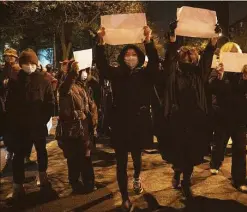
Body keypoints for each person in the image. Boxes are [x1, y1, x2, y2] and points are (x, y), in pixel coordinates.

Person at [96, 26, 159, 211]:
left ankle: (137, 178)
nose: (130, 57)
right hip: (121, 123)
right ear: (122, 58)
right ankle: (124, 196)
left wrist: (149, 42)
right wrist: (100, 44)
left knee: (137, 157)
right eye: (127, 54)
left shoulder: (145, 74)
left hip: (139, 123)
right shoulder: (117, 74)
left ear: (139, 57)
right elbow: (102, 65)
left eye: (133, 54)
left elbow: (155, 64)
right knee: (121, 162)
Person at [158, 21, 217, 199]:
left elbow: (207, 62)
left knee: (192, 151)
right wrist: (173, 41)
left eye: (192, 56)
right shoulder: (172, 73)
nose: (189, 58)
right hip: (176, 118)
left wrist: (212, 43)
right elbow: (169, 60)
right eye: (185, 55)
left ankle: (186, 180)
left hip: (195, 119)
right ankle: (177, 171)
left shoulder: (198, 74)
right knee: (178, 150)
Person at [6, 49, 55, 200]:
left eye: (31, 63)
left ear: (35, 63)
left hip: (38, 125)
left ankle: (43, 177)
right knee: (18, 156)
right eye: (25, 63)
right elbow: (9, 105)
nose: (29, 66)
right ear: (21, 64)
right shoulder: (15, 81)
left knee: (41, 152)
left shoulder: (44, 80)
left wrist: (43, 119)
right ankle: (17, 186)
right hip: (20, 128)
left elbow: (50, 103)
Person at [208, 42, 247, 193]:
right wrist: (220, 76)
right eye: (231, 53)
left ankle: (239, 179)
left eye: (237, 52)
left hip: (239, 116)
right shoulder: (217, 69)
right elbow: (211, 88)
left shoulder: (242, 71)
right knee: (219, 143)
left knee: (240, 148)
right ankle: (215, 162)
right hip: (222, 116)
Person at [57, 60, 97, 194]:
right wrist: (72, 73)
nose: (85, 73)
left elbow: (90, 106)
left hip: (84, 128)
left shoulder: (83, 86)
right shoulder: (67, 86)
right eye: (82, 71)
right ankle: (76, 183)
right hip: (72, 129)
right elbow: (65, 88)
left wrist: (93, 121)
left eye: (86, 70)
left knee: (86, 156)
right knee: (73, 157)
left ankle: (89, 183)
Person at [0, 48, 20, 164]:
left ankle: (20, 153)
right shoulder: (3, 70)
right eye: (6, 56)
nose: (8, 58)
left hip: (16, 106)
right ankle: (10, 151)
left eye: (11, 56)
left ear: (15, 57)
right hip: (4, 106)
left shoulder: (19, 70)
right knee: (6, 131)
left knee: (17, 131)